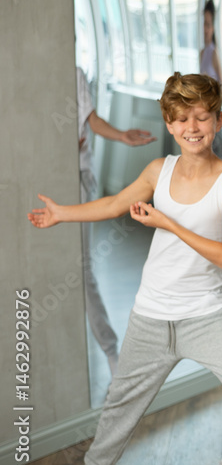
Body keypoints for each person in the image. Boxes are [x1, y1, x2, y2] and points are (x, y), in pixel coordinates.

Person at [33, 73, 222, 465]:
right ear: (169, 123)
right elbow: (111, 205)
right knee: (120, 406)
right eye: (182, 118)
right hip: (151, 314)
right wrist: (63, 213)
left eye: (202, 116)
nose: (192, 126)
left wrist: (168, 222)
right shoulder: (157, 171)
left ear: (219, 121)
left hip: (207, 316)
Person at [75, 66, 156, 376]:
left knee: (81, 271)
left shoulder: (75, 73)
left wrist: (122, 135)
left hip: (80, 177)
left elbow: (91, 121)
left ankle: (111, 353)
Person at [201, 0, 222, 164]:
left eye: (208, 25)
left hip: (217, 117)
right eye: (203, 24)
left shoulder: (215, 53)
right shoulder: (202, 53)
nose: (204, 29)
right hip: (206, 119)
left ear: (214, 28)